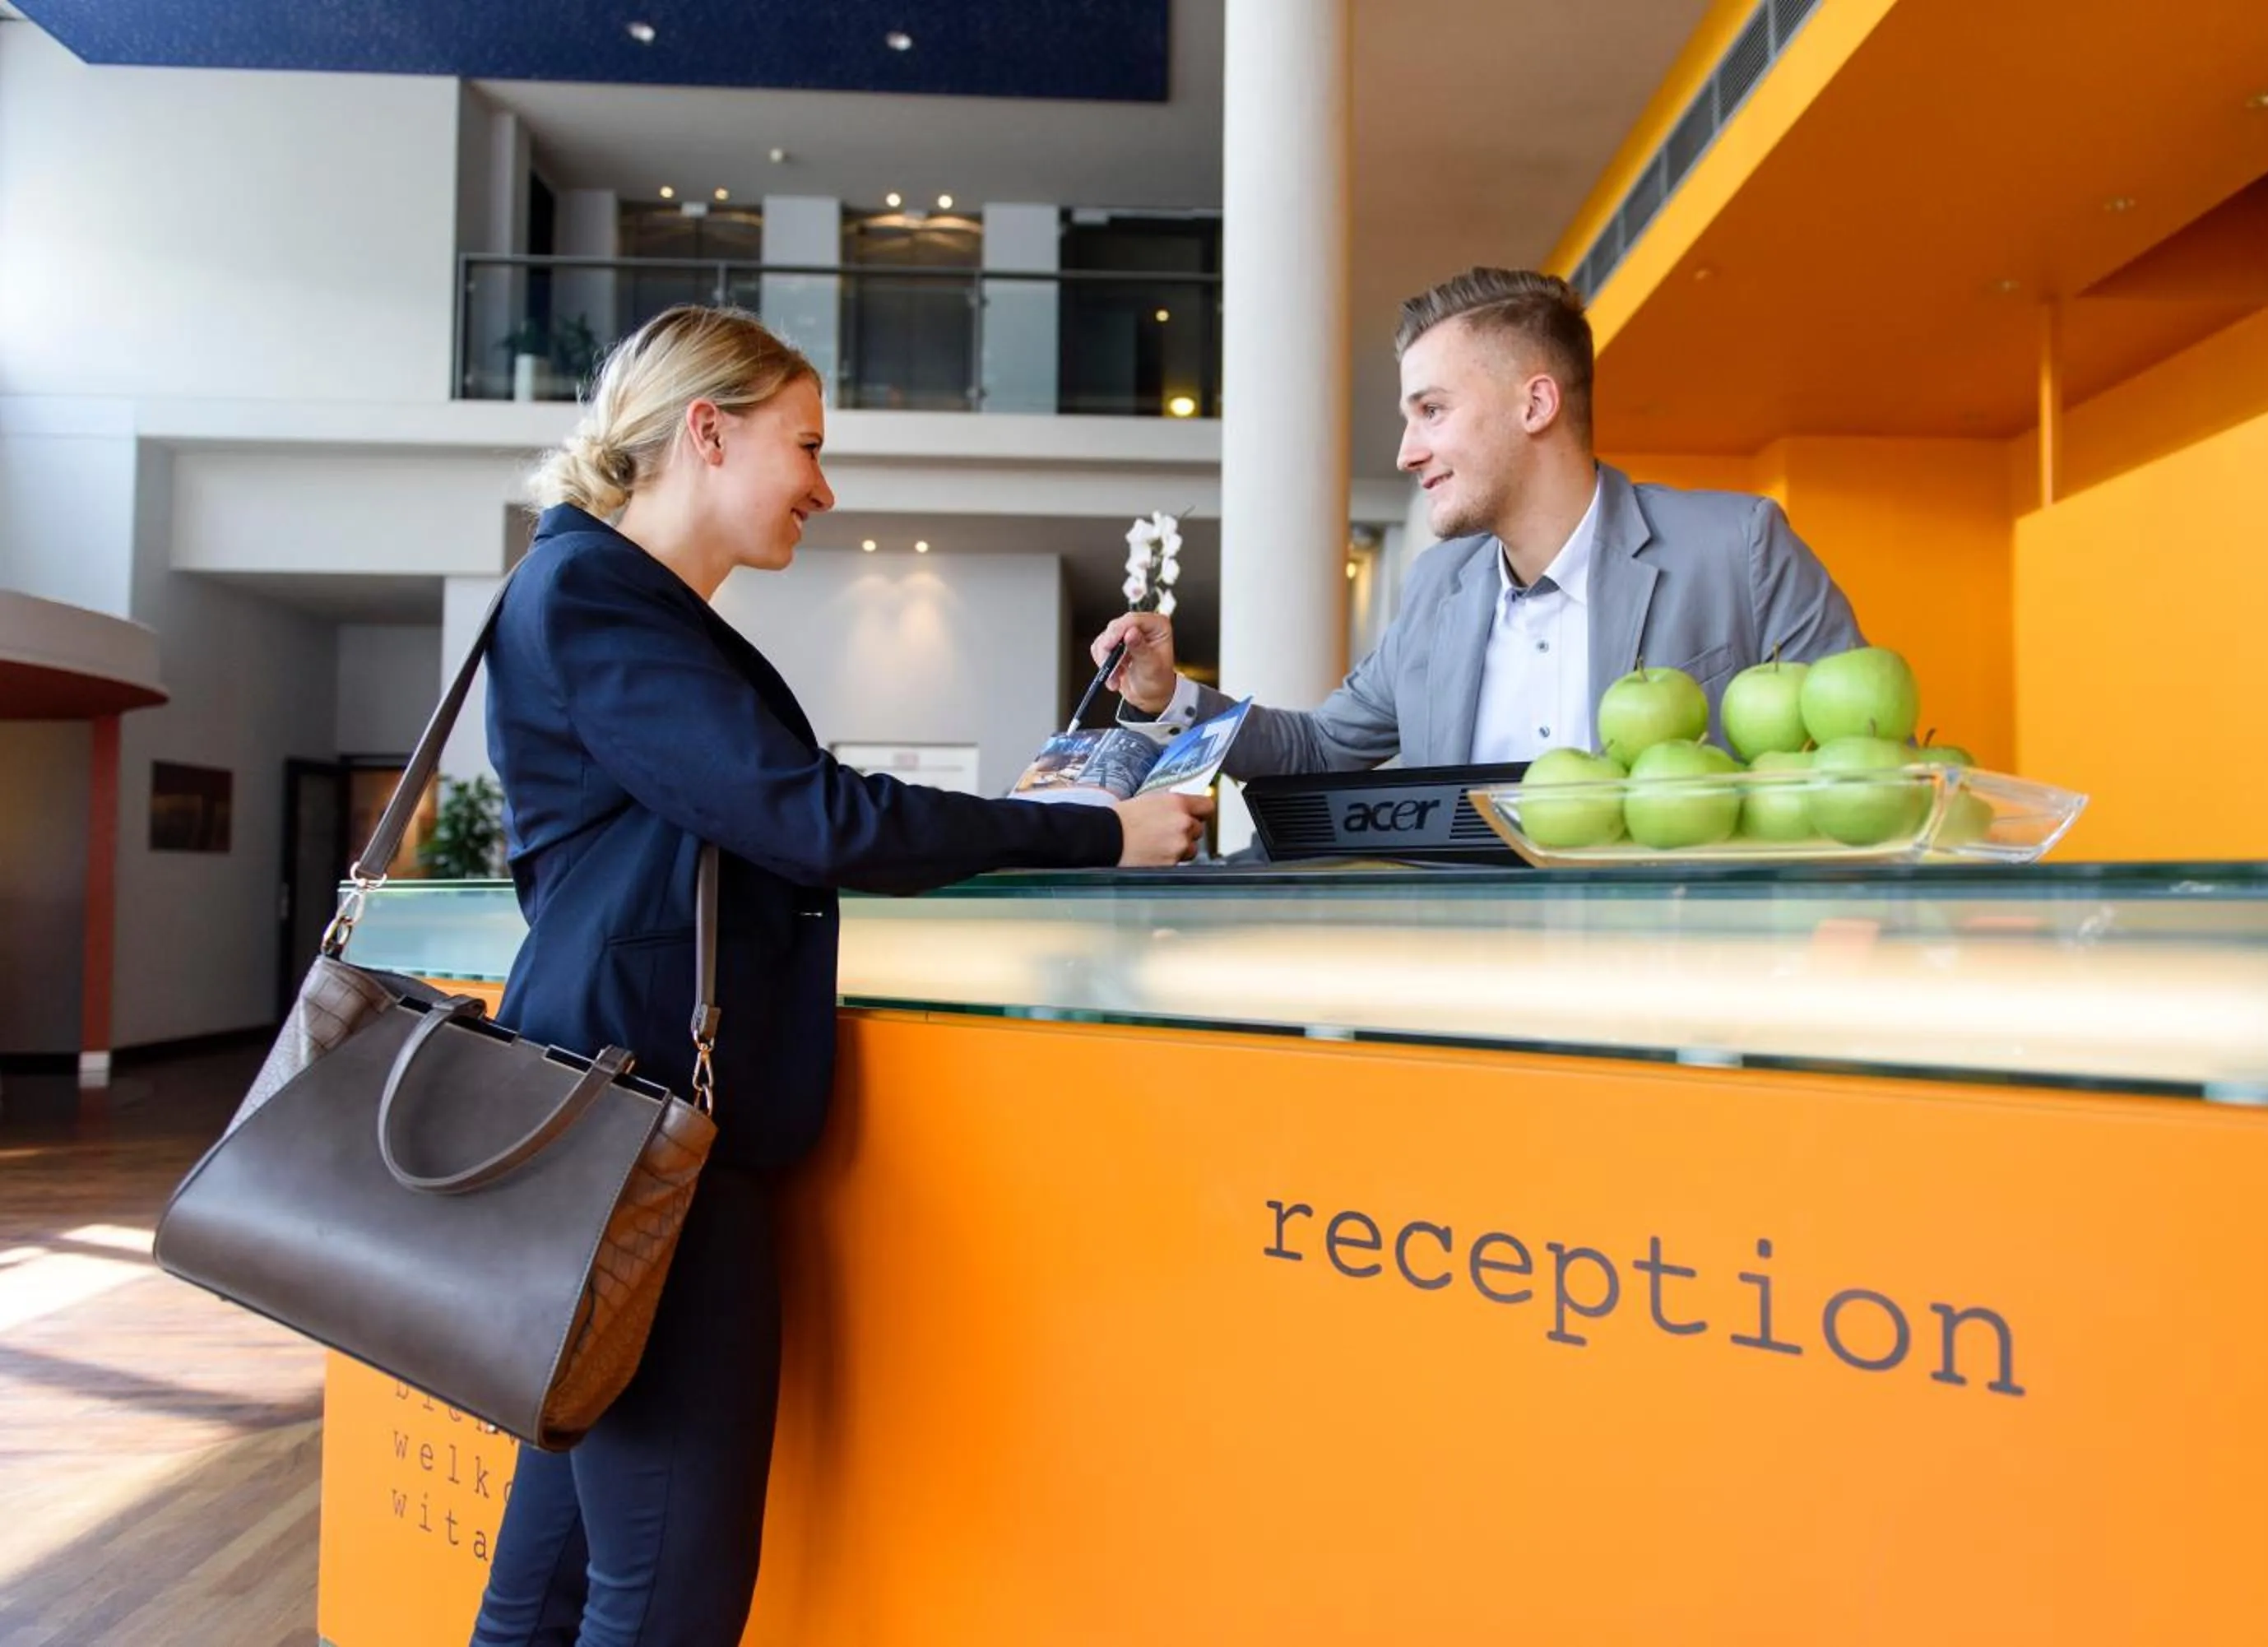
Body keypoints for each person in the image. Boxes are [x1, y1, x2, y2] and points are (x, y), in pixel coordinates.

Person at [468, 305, 1209, 1647]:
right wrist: (1098, 829)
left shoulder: (602, 594)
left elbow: (753, 819)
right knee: (662, 1590)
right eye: (804, 443)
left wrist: (1050, 789)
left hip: (611, 1111)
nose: (823, 481)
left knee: (563, 1573)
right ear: (706, 430)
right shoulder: (589, 592)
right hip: (641, 1132)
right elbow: (810, 818)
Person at [1091, 267, 1866, 770]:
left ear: (1535, 404)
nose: (1406, 452)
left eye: (1431, 411)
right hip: (1473, 995)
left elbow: (1860, 757)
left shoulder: (1741, 548)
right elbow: (1323, 747)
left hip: (1682, 993)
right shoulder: (1436, 588)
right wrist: (1167, 695)